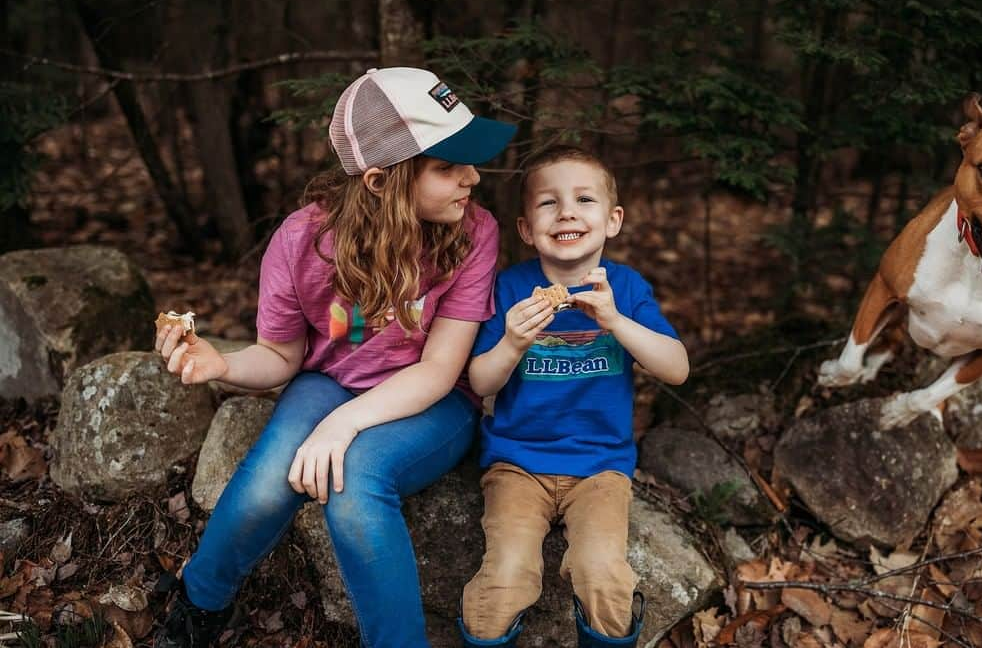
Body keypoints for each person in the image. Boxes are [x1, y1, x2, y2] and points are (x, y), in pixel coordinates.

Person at [153, 67, 515, 648]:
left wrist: (340, 426)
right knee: (271, 481)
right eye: (448, 168)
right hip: (328, 383)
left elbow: (439, 370)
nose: (473, 177)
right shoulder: (302, 242)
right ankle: (199, 603)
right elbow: (279, 355)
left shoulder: (473, 233)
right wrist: (220, 364)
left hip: (433, 400)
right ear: (380, 180)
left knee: (357, 481)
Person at [459, 146, 690, 647]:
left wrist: (614, 321)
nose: (566, 211)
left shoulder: (625, 289)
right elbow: (481, 383)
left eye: (584, 199)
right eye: (548, 202)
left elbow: (677, 368)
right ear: (525, 229)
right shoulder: (510, 288)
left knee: (602, 573)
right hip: (517, 465)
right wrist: (513, 341)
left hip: (600, 469)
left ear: (612, 220)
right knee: (506, 576)